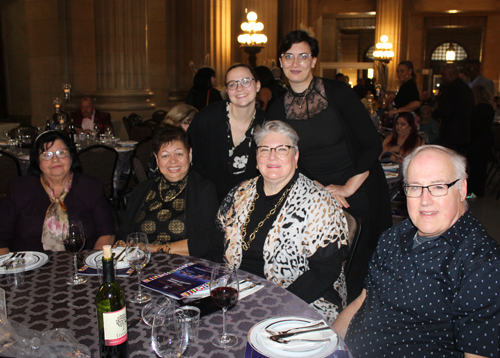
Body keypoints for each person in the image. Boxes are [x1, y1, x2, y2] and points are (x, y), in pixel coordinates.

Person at [333, 145, 500, 357]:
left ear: (462, 189)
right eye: (415, 187)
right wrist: (330, 343)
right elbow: (362, 301)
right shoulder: (393, 236)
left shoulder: (483, 264)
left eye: (438, 187)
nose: (424, 200)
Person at [268, 30, 392, 302]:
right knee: (319, 262)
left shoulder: (337, 93)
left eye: (303, 56)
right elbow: (285, 160)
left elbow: (372, 144)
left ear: (313, 61)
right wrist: (322, 190)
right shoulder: (277, 109)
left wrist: (346, 188)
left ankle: (359, 320)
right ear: (280, 61)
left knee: (362, 265)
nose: (295, 63)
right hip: (313, 192)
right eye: (289, 56)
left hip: (358, 184)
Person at [212, 121, 349, 323]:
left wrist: (274, 305)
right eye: (265, 149)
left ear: (296, 156)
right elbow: (215, 246)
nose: (272, 156)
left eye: (282, 149)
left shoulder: (320, 203)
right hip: (238, 296)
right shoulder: (238, 193)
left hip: (301, 302)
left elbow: (324, 273)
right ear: (256, 158)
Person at [0, 131, 115, 254]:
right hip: (28, 266)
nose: (55, 159)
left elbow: (106, 234)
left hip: (81, 263)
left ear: (71, 156)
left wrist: (92, 265)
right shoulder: (19, 189)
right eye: (46, 154)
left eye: (61, 153)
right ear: (37, 160)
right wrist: (11, 270)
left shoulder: (91, 187)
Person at [116, 124, 218, 257]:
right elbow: (123, 234)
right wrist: (136, 246)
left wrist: (157, 248)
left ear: (190, 154)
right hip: (142, 262)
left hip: (184, 265)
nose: (173, 161)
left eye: (179, 153)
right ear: (157, 159)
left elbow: (207, 242)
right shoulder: (142, 189)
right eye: (165, 155)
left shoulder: (204, 189)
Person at [188, 63, 267, 201]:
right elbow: (190, 158)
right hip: (208, 201)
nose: (239, 88)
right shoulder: (207, 118)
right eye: (232, 84)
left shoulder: (267, 124)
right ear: (227, 90)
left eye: (246, 81)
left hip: (249, 204)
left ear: (258, 85)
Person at [433, 64, 474, 155]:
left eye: (443, 75)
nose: (442, 78)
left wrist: (435, 113)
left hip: (451, 134)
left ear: (451, 74)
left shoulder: (451, 89)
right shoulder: (466, 88)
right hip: (464, 134)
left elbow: (447, 111)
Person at [468, 85, 495, 197]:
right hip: (485, 140)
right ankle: (478, 192)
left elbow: (475, 125)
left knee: (475, 168)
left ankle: (475, 192)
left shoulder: (478, 109)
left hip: (477, 141)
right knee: (481, 167)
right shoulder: (490, 108)